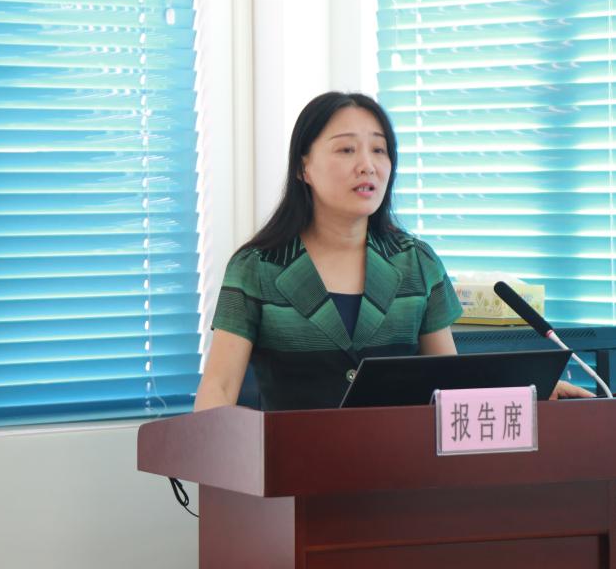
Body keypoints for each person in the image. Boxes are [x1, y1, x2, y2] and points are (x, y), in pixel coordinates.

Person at [193, 91, 591, 411]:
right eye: (346, 150)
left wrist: (528, 391)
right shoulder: (257, 268)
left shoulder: (415, 262)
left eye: (379, 150)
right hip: (291, 473)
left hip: (401, 471)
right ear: (303, 168)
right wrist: (216, 469)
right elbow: (219, 388)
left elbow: (452, 386)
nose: (367, 165)